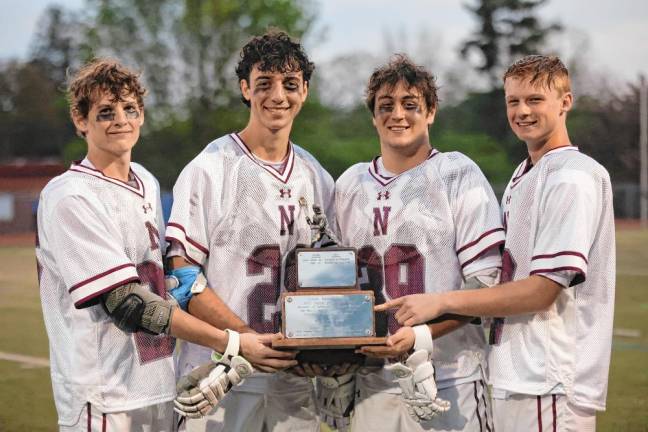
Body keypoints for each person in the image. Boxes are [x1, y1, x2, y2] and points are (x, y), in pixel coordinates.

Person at [380, 55, 615, 431]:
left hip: (549, 377)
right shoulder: (528, 174)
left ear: (565, 102)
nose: (522, 111)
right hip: (519, 374)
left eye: (535, 99)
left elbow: (541, 292)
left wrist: (440, 301)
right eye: (513, 101)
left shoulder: (572, 176)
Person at [35, 59, 251, 431]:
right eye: (105, 112)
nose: (120, 119)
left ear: (142, 116)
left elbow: (166, 282)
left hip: (157, 384)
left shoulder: (146, 182)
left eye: (129, 109)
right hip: (103, 393)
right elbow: (128, 303)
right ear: (80, 120)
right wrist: (229, 342)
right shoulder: (70, 196)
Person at [165, 30, 335, 431]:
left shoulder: (318, 177)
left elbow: (333, 277)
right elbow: (183, 277)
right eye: (264, 84)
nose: (278, 96)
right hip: (220, 373)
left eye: (290, 85)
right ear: (245, 88)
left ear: (305, 91)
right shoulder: (209, 169)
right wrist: (243, 338)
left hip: (293, 379)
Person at [334, 54, 504, 431]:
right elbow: (334, 286)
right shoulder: (348, 184)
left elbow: (485, 285)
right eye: (386, 106)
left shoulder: (457, 173)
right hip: (372, 382)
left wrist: (421, 335)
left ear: (431, 112)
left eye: (410, 105)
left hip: (449, 375)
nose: (398, 115)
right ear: (373, 116)